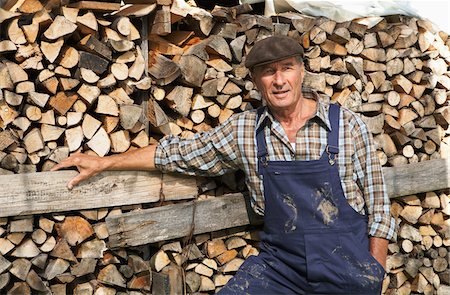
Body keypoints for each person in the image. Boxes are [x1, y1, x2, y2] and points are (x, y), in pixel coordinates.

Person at [52, 35, 396, 294]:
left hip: (346, 267)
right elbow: (179, 153)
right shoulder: (245, 130)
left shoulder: (346, 125)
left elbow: (379, 205)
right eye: (267, 72)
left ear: (302, 71)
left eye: (286, 68)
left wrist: (373, 272)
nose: (279, 80)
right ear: (256, 80)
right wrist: (105, 162)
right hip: (281, 269)